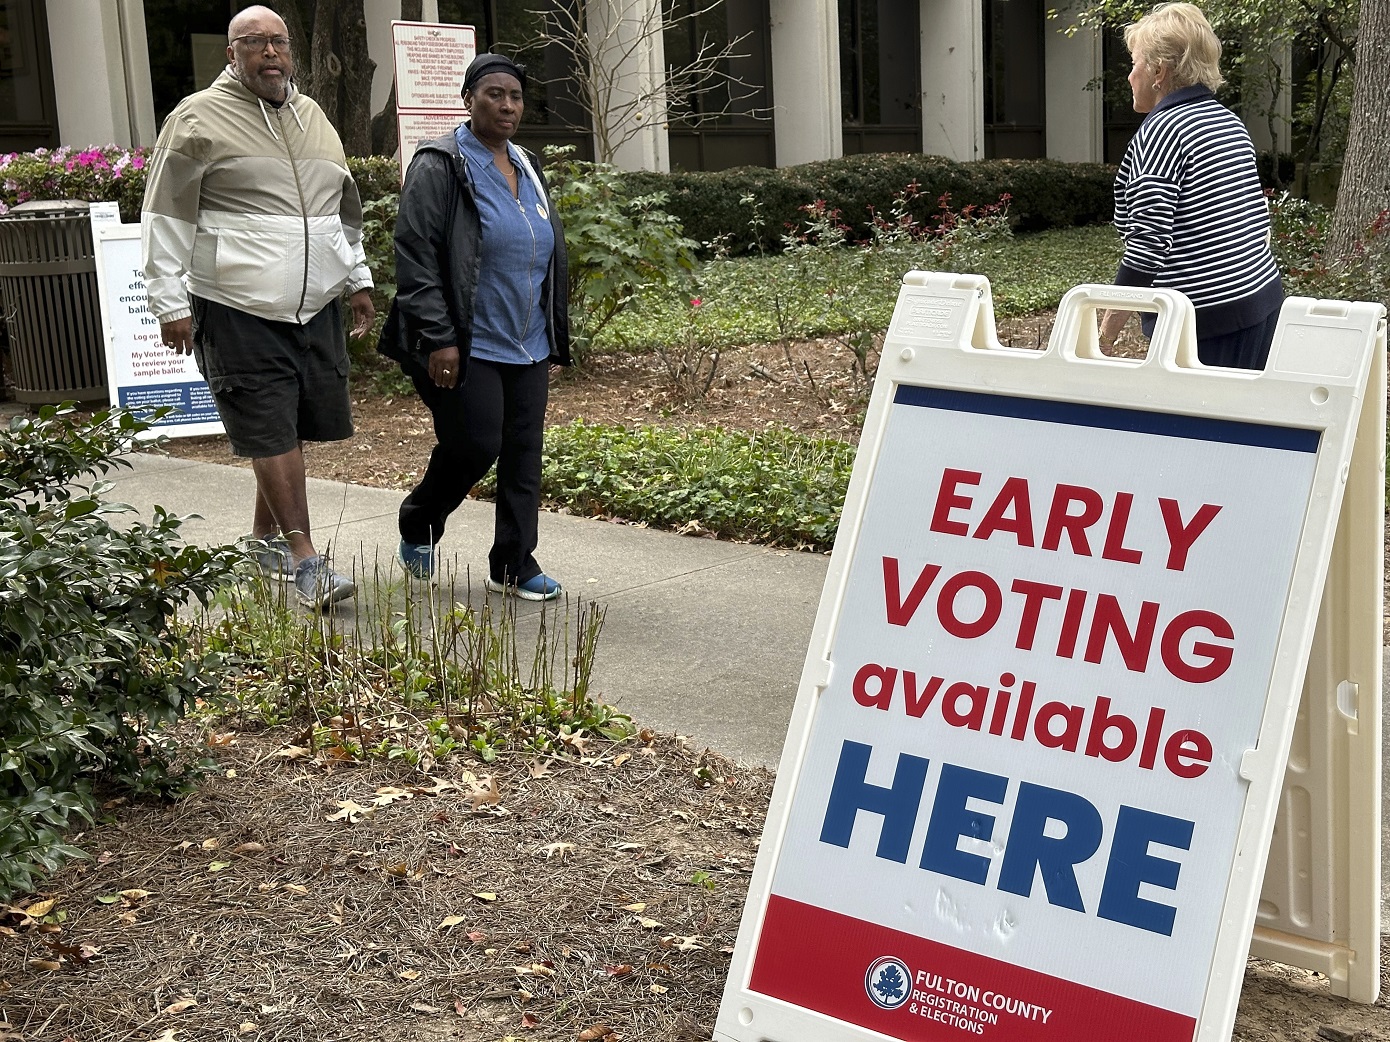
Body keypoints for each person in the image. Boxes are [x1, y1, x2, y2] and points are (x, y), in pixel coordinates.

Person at [141, 5, 374, 609]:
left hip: (314, 304)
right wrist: (168, 301)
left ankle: (263, 542)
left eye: (279, 42)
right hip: (236, 304)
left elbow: (340, 212)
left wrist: (358, 279)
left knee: (288, 426)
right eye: (255, 43)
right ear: (231, 53)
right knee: (268, 425)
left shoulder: (313, 116)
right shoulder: (197, 118)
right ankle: (306, 560)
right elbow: (166, 216)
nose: (270, 53)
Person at [380, 53, 571, 600]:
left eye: (515, 96)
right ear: (469, 99)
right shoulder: (439, 164)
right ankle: (420, 518)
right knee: (476, 442)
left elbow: (544, 246)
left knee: (522, 453)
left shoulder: (527, 164)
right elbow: (415, 256)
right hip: (467, 340)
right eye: (494, 93)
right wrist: (438, 337)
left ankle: (514, 562)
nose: (507, 105)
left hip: (527, 337)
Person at [1099, 2, 1283, 369]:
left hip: (1205, 324)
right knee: (1245, 422)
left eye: (1134, 63)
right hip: (1262, 302)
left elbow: (1147, 245)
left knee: (1198, 426)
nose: (1129, 76)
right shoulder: (1228, 122)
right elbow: (1253, 221)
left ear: (1158, 72)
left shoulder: (1162, 131)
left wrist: (1104, 332)